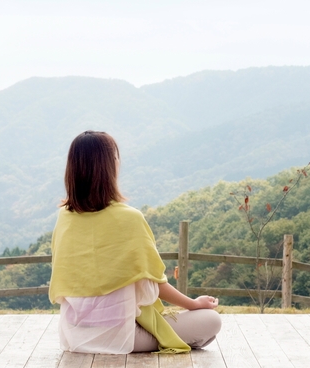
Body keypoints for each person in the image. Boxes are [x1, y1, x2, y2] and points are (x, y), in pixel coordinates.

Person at [49, 130, 222, 354]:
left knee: (197, 329)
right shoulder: (130, 218)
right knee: (210, 321)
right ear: (110, 165)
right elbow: (156, 284)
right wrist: (194, 304)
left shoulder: (64, 217)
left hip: (74, 336)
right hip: (121, 337)